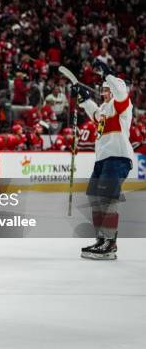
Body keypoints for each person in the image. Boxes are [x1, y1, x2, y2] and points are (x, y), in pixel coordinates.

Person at [74, 61, 133, 260]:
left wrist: (109, 74)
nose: (105, 93)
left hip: (117, 157)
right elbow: (95, 114)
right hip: (102, 160)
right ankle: (102, 239)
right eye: (104, 90)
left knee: (108, 199)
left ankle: (110, 242)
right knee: (93, 197)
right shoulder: (105, 110)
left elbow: (120, 93)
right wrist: (84, 99)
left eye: (108, 90)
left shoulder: (122, 105)